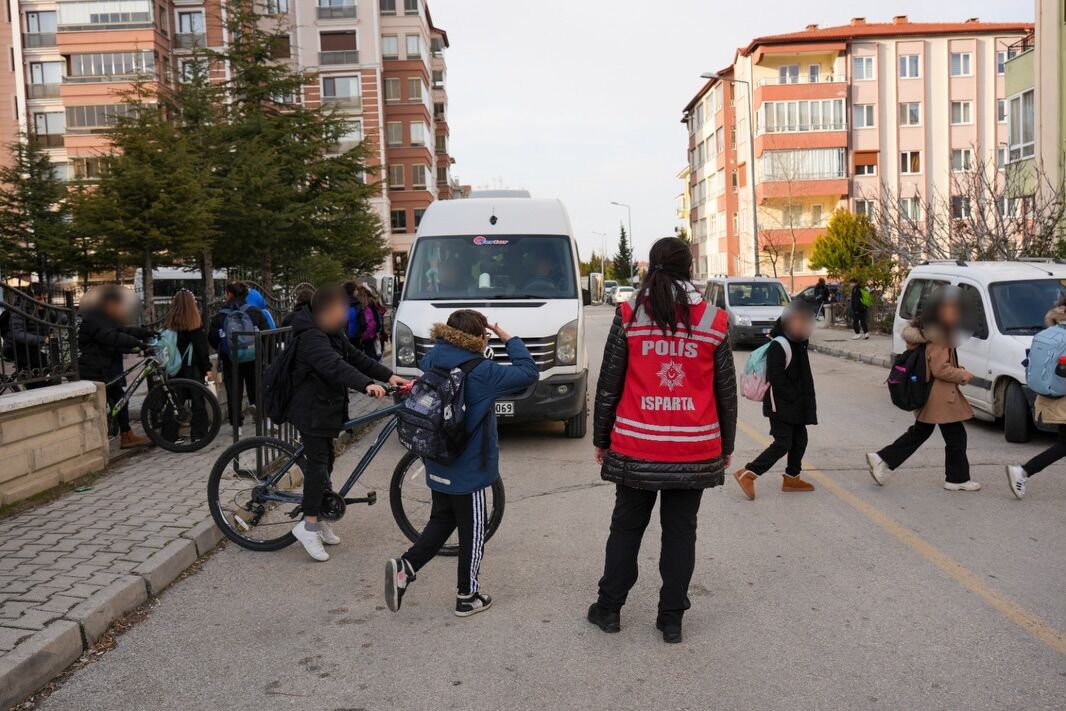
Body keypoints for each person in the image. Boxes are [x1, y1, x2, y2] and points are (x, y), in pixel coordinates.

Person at [586, 237, 737, 644]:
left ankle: (609, 609)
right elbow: (726, 392)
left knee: (627, 528)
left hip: (636, 445)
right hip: (695, 447)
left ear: (651, 267)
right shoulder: (714, 321)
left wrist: (603, 438)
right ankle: (671, 619)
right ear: (690, 267)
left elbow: (609, 384)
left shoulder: (630, 315)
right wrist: (726, 447)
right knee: (680, 533)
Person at [385, 309, 537, 617]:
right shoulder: (484, 371)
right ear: (480, 338)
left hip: (437, 458)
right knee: (474, 531)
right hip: (468, 467)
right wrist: (508, 338)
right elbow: (528, 372)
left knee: (443, 520)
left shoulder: (431, 359)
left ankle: (406, 568)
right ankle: (467, 595)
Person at [285, 284, 408, 562]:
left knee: (326, 462)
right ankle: (308, 527)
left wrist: (388, 376)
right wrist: (366, 385)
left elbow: (355, 357)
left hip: (325, 408)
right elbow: (334, 365)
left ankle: (317, 515)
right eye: (340, 309)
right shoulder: (311, 338)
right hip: (310, 410)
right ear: (325, 312)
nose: (345, 314)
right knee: (318, 466)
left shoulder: (331, 332)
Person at [866, 286, 980, 491]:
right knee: (955, 437)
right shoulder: (940, 334)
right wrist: (963, 375)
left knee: (921, 433)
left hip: (932, 394)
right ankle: (957, 479)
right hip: (941, 396)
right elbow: (940, 369)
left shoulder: (929, 330)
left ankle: (882, 458)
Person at [733, 301, 818, 500]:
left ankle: (792, 477)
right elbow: (777, 377)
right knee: (783, 443)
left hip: (795, 404)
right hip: (781, 404)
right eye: (798, 322)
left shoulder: (798, 343)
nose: (802, 326)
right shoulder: (780, 344)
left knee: (800, 440)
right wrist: (793, 397)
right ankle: (748, 473)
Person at [78, 285, 155, 448]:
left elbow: (123, 330)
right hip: (95, 370)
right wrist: (138, 344)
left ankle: (127, 436)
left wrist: (145, 333)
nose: (119, 308)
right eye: (116, 305)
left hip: (105, 368)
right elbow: (111, 337)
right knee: (103, 405)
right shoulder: (94, 320)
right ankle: (103, 441)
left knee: (121, 400)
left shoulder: (104, 319)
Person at [1006, 298, 1066, 499]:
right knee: (1064, 445)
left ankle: (1023, 471)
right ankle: (1023, 471)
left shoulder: (1052, 332)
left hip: (1053, 394)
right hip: (1062, 398)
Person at [208, 282, 270, 427]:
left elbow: (212, 339)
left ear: (229, 294)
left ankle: (237, 425)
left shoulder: (221, 315)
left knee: (233, 391)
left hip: (230, 359)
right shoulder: (255, 312)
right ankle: (260, 417)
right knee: (256, 387)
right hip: (253, 357)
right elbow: (267, 334)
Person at [160, 290, 213, 442]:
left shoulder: (170, 322)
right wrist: (207, 368)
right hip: (193, 367)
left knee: (176, 402)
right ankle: (198, 434)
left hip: (175, 367)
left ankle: (169, 435)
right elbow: (201, 348)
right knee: (198, 401)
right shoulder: (194, 323)